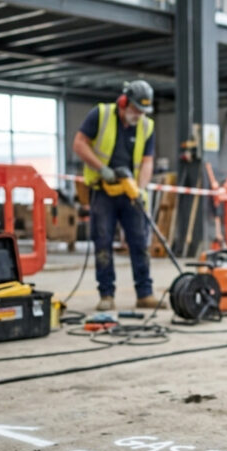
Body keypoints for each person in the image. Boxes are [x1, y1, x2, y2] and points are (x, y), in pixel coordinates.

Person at [72, 80, 160, 312]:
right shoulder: (100, 115)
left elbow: (148, 162)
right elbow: (79, 144)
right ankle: (106, 294)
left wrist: (139, 190)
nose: (139, 115)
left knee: (139, 243)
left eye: (143, 111)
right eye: (135, 109)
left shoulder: (146, 126)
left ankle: (145, 294)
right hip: (103, 190)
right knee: (102, 242)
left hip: (130, 192)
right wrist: (102, 169)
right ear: (123, 102)